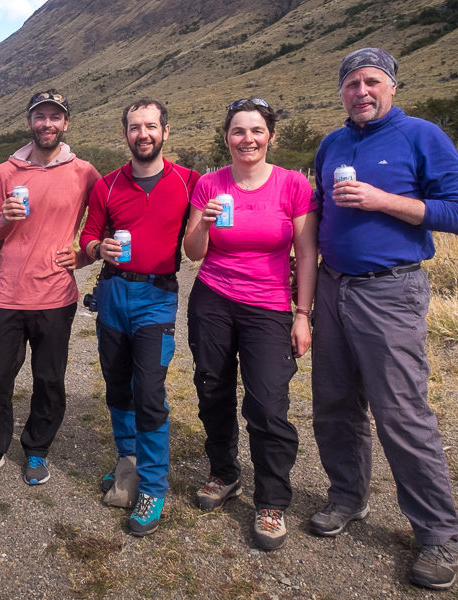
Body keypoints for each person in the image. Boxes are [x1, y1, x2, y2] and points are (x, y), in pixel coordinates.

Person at [308, 48, 458, 590]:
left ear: (392, 87)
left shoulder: (422, 136)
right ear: (341, 92)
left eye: (372, 81)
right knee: (334, 403)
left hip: (391, 289)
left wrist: (385, 200)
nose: (362, 91)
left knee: (401, 411)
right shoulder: (331, 144)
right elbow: (320, 210)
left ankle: (437, 533)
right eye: (352, 83)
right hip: (333, 286)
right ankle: (347, 498)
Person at [183, 98, 318, 550]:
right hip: (214, 300)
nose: (248, 139)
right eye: (238, 131)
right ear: (226, 137)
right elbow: (193, 252)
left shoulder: (293, 184)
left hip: (270, 307)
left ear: (271, 136)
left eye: (256, 131)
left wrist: (303, 315)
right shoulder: (208, 183)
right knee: (213, 390)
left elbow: (306, 255)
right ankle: (223, 474)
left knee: (267, 404)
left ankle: (272, 499)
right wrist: (202, 223)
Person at [0, 90, 101, 486]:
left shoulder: (83, 171)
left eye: (55, 117)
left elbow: (105, 217)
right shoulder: (7, 172)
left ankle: (37, 450)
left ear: (65, 124)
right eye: (40, 117)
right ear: (30, 123)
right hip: (8, 293)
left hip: (56, 295)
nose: (47, 124)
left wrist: (86, 255)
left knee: (49, 377)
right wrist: (4, 219)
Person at [79, 98, 201, 536]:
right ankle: (127, 463)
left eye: (151, 126)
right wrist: (98, 249)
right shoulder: (108, 185)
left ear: (165, 131)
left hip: (156, 297)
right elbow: (90, 235)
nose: (143, 134)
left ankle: (153, 486)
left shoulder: (190, 181)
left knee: (148, 391)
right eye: (135, 127)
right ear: (125, 133)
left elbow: (207, 234)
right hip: (113, 292)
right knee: (116, 385)